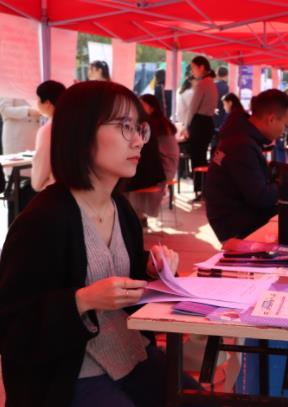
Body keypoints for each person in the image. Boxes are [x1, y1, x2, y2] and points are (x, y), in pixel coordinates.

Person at [0, 81, 192, 406]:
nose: (137, 140)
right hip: (70, 374)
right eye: (123, 127)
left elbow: (115, 273)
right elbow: (12, 324)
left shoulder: (121, 209)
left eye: (139, 128)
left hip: (132, 355)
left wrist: (149, 267)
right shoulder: (44, 220)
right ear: (82, 133)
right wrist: (80, 301)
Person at [205, 89, 288, 242]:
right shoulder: (242, 145)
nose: (283, 132)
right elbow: (260, 197)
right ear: (272, 119)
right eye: (285, 125)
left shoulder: (240, 135)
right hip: (236, 224)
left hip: (234, 216)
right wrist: (287, 185)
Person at [125, 94, 178, 222]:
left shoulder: (152, 124)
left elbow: (147, 152)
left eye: (142, 104)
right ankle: (136, 215)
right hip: (167, 167)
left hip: (163, 169)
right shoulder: (161, 122)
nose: (138, 106)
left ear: (152, 108)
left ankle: (133, 215)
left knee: (125, 178)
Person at [185, 56, 218, 200]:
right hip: (208, 122)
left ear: (202, 67)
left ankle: (199, 190)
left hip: (199, 123)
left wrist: (186, 126)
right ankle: (203, 189)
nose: (192, 71)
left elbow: (192, 108)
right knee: (202, 157)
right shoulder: (212, 83)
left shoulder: (203, 84)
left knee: (197, 158)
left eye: (193, 67)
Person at [31, 80, 66, 192]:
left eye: (38, 99)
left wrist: (36, 184)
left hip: (54, 190)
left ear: (47, 102)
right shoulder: (74, 123)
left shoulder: (47, 130)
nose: (36, 102)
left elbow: (40, 173)